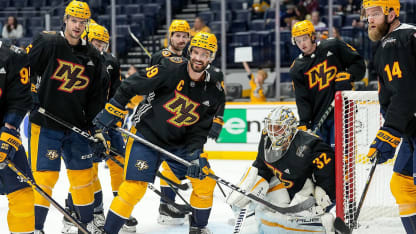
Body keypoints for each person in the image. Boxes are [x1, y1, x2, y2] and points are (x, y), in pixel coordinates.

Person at [94, 32, 225, 234]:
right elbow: (130, 85)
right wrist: (109, 114)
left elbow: (199, 129)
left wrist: (195, 155)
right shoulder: (170, 68)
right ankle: (108, 231)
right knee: (134, 187)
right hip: (147, 136)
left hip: (180, 142)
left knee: (205, 180)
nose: (199, 58)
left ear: (211, 57)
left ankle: (198, 228)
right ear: (190, 52)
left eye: (205, 54)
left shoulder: (214, 89)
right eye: (196, 52)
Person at [26, 1, 108, 233]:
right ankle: (36, 228)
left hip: (76, 127)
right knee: (45, 179)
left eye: (82, 22)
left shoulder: (93, 56)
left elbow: (96, 98)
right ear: (65, 19)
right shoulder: (48, 42)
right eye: (74, 20)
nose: (78, 25)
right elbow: (25, 71)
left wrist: (97, 128)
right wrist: (29, 95)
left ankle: (86, 224)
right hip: (45, 124)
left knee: (83, 178)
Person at [61, 22, 138, 234]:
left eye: (104, 43)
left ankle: (119, 210)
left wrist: (116, 120)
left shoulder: (111, 62)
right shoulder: (77, 57)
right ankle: (79, 211)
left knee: (119, 163)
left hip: (109, 122)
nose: (100, 46)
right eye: (96, 42)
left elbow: (117, 94)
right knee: (86, 168)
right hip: (86, 123)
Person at [226, 107, 336, 233]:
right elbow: (262, 165)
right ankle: (250, 219)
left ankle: (324, 224)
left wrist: (323, 191)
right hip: (283, 186)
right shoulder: (266, 137)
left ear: (289, 128)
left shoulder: (312, 145)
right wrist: (249, 187)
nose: (272, 132)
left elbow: (328, 175)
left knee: (292, 225)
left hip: (304, 192)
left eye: (278, 128)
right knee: (252, 187)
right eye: (270, 126)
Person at [362, 0, 416, 233]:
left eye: (375, 14)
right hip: (411, 128)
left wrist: (390, 132)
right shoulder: (388, 43)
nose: (369, 20)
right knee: (402, 184)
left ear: (392, 13)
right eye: (367, 15)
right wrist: (394, 130)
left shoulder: (399, 40)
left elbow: (406, 92)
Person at [290, 20, 365, 146]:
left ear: (312, 36)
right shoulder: (297, 68)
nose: (302, 44)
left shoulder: (333, 45)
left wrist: (349, 76)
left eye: (304, 39)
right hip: (318, 119)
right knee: (324, 160)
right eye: (298, 41)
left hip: (342, 111)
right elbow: (302, 99)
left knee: (343, 157)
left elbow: (358, 63)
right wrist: (304, 122)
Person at [0, 40, 34, 234]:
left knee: (23, 195)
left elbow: (20, 99)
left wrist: (10, 130)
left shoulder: (14, 56)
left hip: (3, 132)